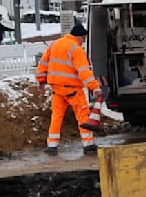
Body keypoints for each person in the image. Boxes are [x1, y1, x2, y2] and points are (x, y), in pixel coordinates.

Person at [35, 21, 101, 155]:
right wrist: (94, 87)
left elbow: (43, 64)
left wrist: (41, 81)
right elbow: (83, 71)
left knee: (57, 116)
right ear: (80, 37)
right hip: (72, 89)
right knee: (83, 115)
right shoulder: (76, 49)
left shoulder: (55, 44)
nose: (83, 42)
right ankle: (88, 145)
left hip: (57, 88)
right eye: (83, 39)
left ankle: (52, 145)